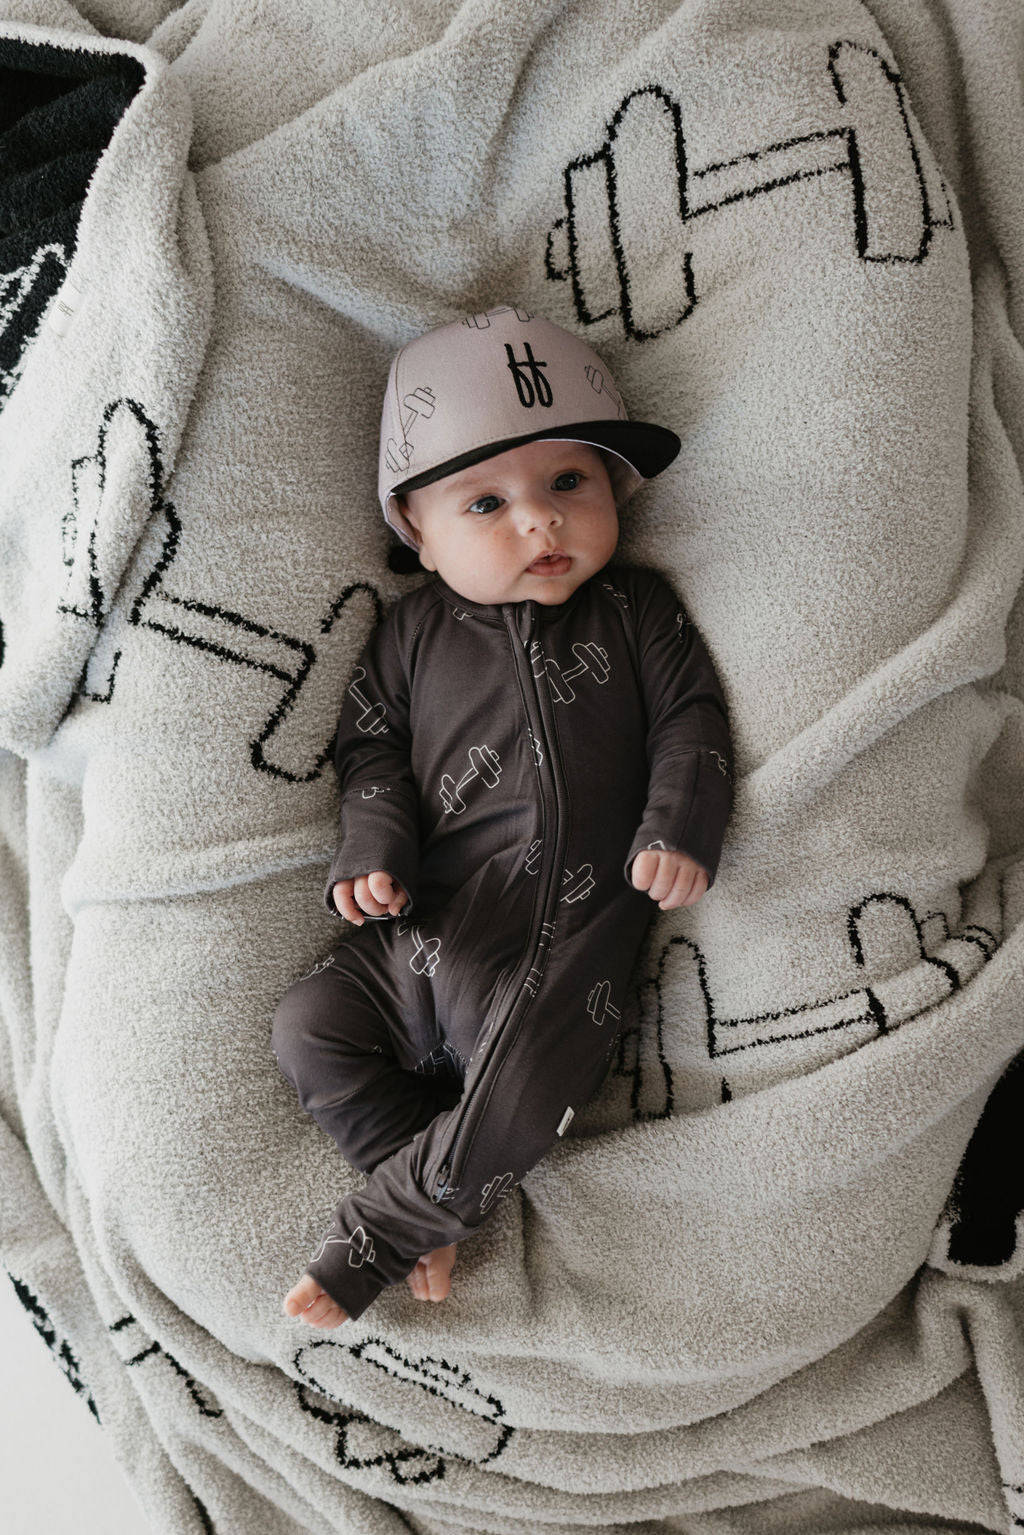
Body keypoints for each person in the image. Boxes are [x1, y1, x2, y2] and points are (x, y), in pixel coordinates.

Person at [273, 304, 733, 1326]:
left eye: (569, 481)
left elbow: (691, 717)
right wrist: (372, 844)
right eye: (485, 502)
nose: (540, 520)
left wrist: (678, 824)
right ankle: (424, 1171)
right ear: (420, 539)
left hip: (562, 940)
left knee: (522, 1089)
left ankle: (386, 1226)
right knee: (307, 1025)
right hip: (421, 928)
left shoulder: (635, 611)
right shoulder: (409, 636)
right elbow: (369, 746)